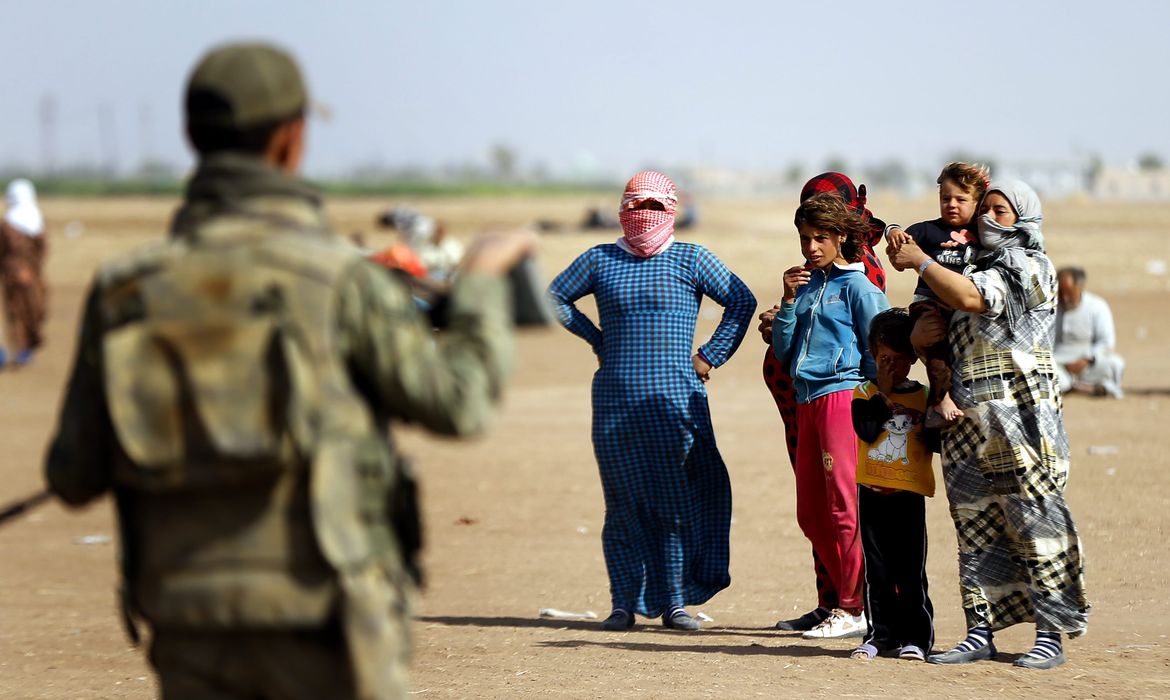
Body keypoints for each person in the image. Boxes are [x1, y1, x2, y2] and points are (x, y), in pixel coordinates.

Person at [44, 41, 533, 699]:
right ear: (290, 140)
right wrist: (477, 283)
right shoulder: (338, 282)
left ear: (193, 138)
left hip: (189, 622)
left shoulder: (122, 290)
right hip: (327, 621)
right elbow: (458, 402)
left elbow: (72, 476)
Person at [886, 179, 1089, 670]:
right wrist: (916, 331)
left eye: (1001, 211)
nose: (988, 219)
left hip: (1023, 419)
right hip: (967, 422)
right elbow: (940, 321)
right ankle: (980, 630)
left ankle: (1050, 633)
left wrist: (921, 262)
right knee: (974, 525)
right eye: (987, 210)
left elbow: (974, 300)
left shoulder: (1029, 265)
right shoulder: (965, 263)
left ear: (1024, 218)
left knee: (1035, 521)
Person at [547, 170, 756, 632]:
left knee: (675, 500)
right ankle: (622, 602)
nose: (643, 215)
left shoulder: (692, 258)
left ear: (672, 209)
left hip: (676, 400)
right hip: (616, 402)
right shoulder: (600, 260)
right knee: (621, 502)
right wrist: (597, 340)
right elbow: (555, 296)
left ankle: (675, 602)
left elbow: (741, 301)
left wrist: (710, 356)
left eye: (655, 207)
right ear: (621, 209)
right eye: (634, 205)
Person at [759, 172, 889, 633]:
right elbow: (785, 350)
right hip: (807, 400)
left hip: (840, 398)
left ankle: (853, 608)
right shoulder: (810, 284)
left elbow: (879, 347)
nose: (811, 247)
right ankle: (847, 601)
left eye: (820, 238)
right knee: (811, 513)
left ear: (841, 236)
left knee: (843, 507)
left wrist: (875, 404)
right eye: (805, 238)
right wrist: (789, 301)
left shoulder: (859, 284)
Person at [848, 308, 937, 662]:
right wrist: (883, 394)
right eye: (884, 359)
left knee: (911, 570)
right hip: (872, 495)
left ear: (913, 359)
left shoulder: (925, 396)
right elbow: (868, 431)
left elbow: (934, 442)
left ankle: (917, 638)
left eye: (900, 360)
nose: (891, 368)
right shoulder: (862, 393)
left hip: (909, 497)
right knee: (878, 571)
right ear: (872, 355)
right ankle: (880, 635)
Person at [886, 163, 988, 426]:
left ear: (978, 203)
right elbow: (898, 244)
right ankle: (939, 399)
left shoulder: (984, 234)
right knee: (936, 348)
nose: (951, 204)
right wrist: (895, 234)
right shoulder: (928, 230)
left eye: (961, 199)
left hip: (963, 307)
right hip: (929, 303)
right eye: (945, 198)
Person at [1054, 266, 1125, 398]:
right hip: (1058, 362)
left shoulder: (1097, 306)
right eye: (1060, 292)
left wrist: (1087, 359)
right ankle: (1080, 387)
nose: (1064, 297)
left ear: (1079, 288)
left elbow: (1106, 342)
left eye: (1069, 292)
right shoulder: (1048, 308)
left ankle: (1072, 386)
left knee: (1116, 363)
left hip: (1087, 363)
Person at [0, 178, 49, 367]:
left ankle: (22, 349)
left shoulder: (8, 223)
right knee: (34, 308)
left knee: (17, 311)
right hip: (34, 274)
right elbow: (43, 247)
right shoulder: (37, 220)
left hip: (14, 275)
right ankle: (26, 348)